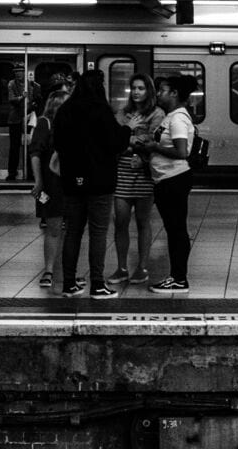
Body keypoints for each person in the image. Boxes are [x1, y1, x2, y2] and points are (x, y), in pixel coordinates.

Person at [53, 69, 130, 298]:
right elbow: (116, 144)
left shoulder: (65, 111)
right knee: (98, 233)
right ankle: (97, 284)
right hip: (100, 182)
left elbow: (58, 144)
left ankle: (69, 284)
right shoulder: (101, 111)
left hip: (72, 181)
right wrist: (127, 129)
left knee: (73, 232)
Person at [139, 74, 195, 295]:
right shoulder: (171, 116)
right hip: (166, 179)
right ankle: (177, 276)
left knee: (176, 229)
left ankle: (179, 278)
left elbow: (182, 152)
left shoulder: (178, 119)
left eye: (162, 90)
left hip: (174, 179)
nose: (159, 94)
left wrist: (154, 147)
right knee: (174, 229)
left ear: (174, 93)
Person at [110, 73, 164, 285]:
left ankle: (142, 267)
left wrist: (129, 138)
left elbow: (153, 139)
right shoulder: (122, 113)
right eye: (133, 88)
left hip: (144, 172)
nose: (136, 92)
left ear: (148, 90)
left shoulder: (157, 113)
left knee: (143, 221)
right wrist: (132, 137)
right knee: (120, 220)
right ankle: (122, 267)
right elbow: (115, 139)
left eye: (141, 88)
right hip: (122, 172)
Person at [29, 88, 68, 289]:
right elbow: (35, 153)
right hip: (51, 184)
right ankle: (50, 270)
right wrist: (38, 181)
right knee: (54, 227)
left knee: (65, 228)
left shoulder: (70, 125)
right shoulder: (45, 123)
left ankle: (63, 270)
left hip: (64, 183)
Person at [6, 66, 28, 181]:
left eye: (20, 71)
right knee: (14, 147)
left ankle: (30, 171)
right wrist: (22, 97)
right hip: (15, 118)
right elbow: (11, 99)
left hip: (28, 117)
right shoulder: (11, 84)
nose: (18, 74)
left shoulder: (31, 84)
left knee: (30, 145)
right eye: (16, 72)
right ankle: (12, 172)